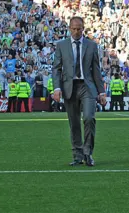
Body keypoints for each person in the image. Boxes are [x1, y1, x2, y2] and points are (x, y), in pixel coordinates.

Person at [52, 16, 107, 167]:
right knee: (74, 123)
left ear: (83, 29)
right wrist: (56, 88)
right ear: (69, 28)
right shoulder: (61, 45)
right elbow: (56, 68)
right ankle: (77, 155)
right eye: (74, 29)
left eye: (79, 29)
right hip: (69, 87)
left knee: (89, 118)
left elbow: (96, 70)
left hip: (87, 87)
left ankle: (88, 153)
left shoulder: (91, 45)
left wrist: (101, 92)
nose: (76, 32)